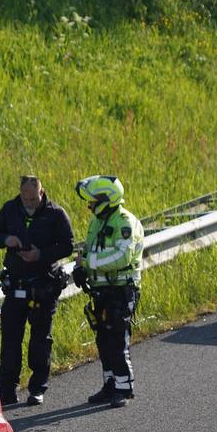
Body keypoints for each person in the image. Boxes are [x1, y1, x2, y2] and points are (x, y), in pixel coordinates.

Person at [0, 176, 75, 406]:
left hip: (43, 287)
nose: (29, 202)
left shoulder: (55, 213)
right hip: (16, 285)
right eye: (25, 198)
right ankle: (7, 391)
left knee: (40, 341)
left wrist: (40, 254)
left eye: (33, 198)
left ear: (41, 192)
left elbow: (68, 245)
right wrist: (7, 239)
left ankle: (37, 388)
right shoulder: (10, 209)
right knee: (10, 341)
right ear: (20, 193)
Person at [74, 175, 143, 408]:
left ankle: (124, 387)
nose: (89, 205)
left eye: (92, 201)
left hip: (121, 290)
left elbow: (121, 256)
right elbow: (88, 249)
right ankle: (110, 384)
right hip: (101, 291)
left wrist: (89, 263)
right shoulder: (97, 222)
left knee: (117, 339)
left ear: (106, 199)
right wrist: (79, 269)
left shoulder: (124, 222)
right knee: (103, 340)